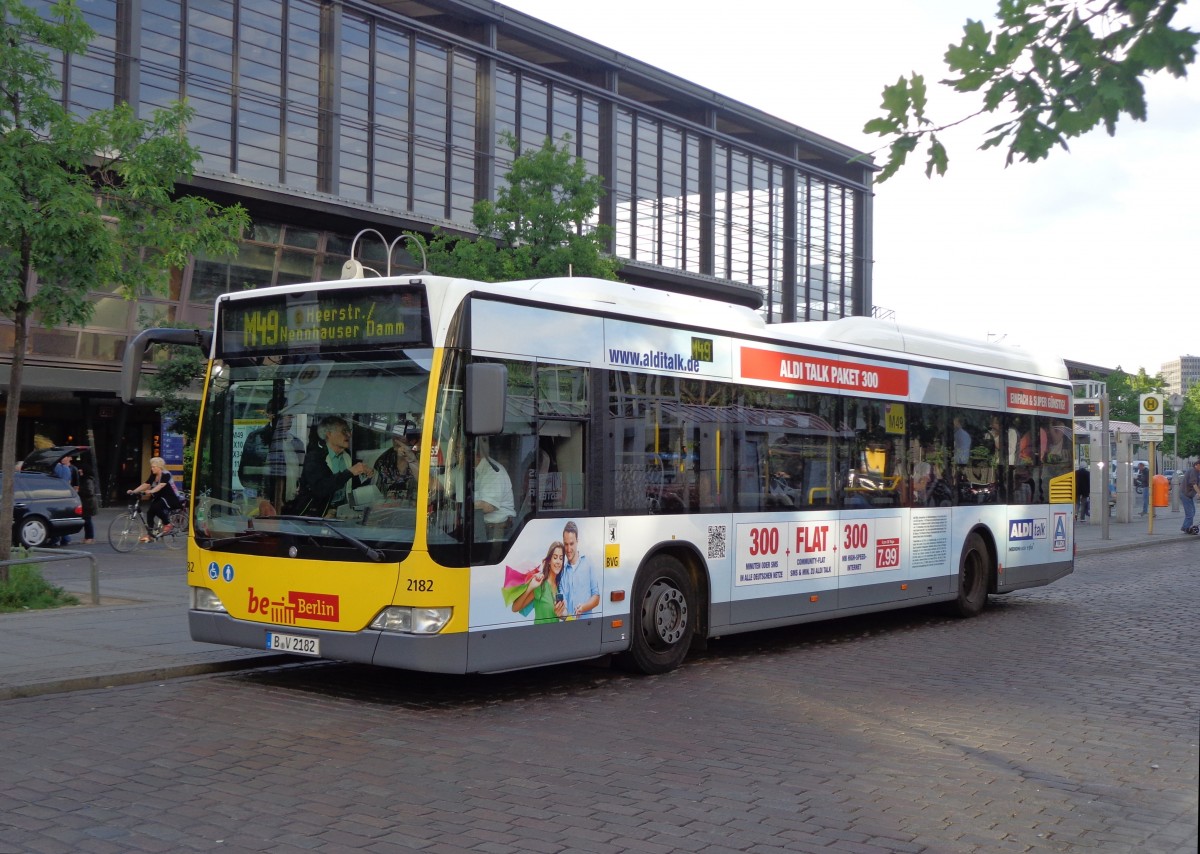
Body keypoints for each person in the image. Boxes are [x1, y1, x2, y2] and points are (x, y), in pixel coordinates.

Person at [289, 416, 373, 517]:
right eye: (344, 431)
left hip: (344, 515)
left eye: (349, 430)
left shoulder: (348, 458)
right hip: (316, 517)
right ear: (329, 434)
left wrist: (368, 475)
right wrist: (349, 472)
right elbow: (320, 488)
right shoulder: (314, 458)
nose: (349, 435)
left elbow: (353, 490)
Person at [502, 540, 569, 623]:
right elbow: (515, 608)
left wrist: (562, 613)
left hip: (555, 634)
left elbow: (564, 615)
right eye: (555, 557)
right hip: (540, 634)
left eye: (561, 558)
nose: (558, 562)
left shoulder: (560, 587)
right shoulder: (541, 584)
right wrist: (530, 587)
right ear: (549, 561)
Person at [128, 457, 183, 540]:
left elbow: (161, 485)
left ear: (159, 467)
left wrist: (151, 491)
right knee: (150, 512)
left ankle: (167, 524)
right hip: (160, 496)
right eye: (151, 466)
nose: (152, 468)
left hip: (170, 497)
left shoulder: (166, 474)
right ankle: (150, 535)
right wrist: (134, 491)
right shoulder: (154, 474)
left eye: (154, 467)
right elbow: (146, 484)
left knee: (156, 507)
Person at [474, 437, 515, 537]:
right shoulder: (465, 468)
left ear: (474, 453)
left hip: (495, 531)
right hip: (478, 527)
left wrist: (461, 507)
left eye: (458, 450)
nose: (456, 454)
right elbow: (438, 483)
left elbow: (488, 506)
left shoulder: (494, 471)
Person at [559, 520, 599, 619]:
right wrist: (561, 613)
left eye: (571, 544)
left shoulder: (588, 563)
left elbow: (596, 597)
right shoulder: (562, 572)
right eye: (566, 544)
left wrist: (583, 608)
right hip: (569, 627)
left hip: (587, 626)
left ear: (577, 541)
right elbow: (563, 607)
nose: (568, 549)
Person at [374, 423, 420, 499]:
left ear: (412, 440)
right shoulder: (384, 459)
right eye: (394, 435)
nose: (396, 440)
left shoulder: (422, 457)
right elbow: (377, 491)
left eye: (401, 436)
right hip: (389, 507)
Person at [50, 453, 75, 546]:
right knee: (63, 517)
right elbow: (69, 481)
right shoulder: (67, 469)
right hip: (65, 494)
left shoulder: (58, 468)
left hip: (57, 494)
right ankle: (65, 538)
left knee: (56, 516)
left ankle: (57, 538)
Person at [75, 461, 100, 544]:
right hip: (86, 502)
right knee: (86, 520)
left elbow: (89, 491)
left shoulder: (88, 479)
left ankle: (90, 537)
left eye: (81, 470)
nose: (79, 472)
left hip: (88, 503)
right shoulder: (84, 479)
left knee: (87, 520)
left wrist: (79, 491)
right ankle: (87, 537)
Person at [1180, 460, 1200, 534]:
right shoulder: (1193, 471)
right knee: (1190, 513)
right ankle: (1186, 527)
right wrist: (1199, 493)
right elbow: (1194, 484)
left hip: (1189, 495)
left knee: (1192, 512)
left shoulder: (1197, 472)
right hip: (1185, 494)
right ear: (1197, 465)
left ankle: (1187, 527)